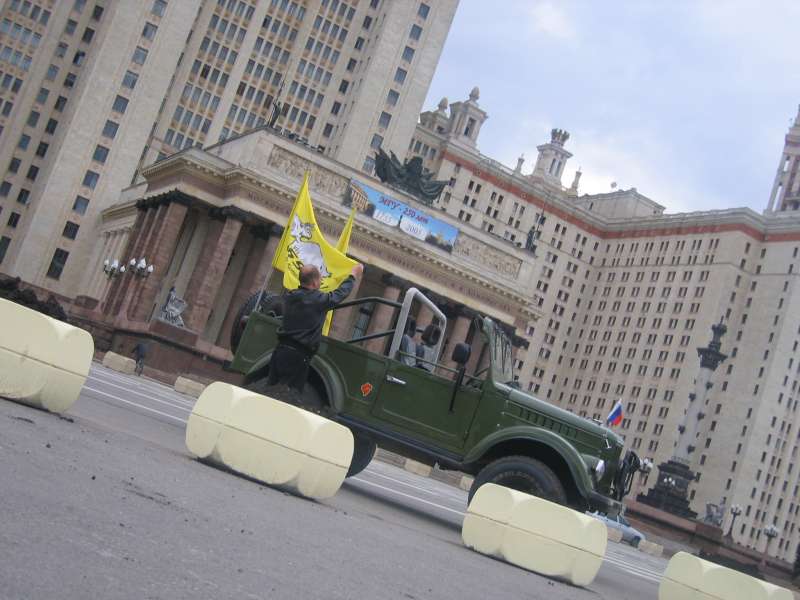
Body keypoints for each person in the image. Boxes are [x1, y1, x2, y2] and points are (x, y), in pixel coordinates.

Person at [267, 263, 363, 392]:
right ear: (314, 282)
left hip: (280, 351)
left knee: (269, 391)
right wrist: (353, 275)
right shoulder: (317, 300)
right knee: (288, 394)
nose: (322, 280)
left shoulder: (290, 296)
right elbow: (340, 294)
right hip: (299, 355)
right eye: (320, 278)